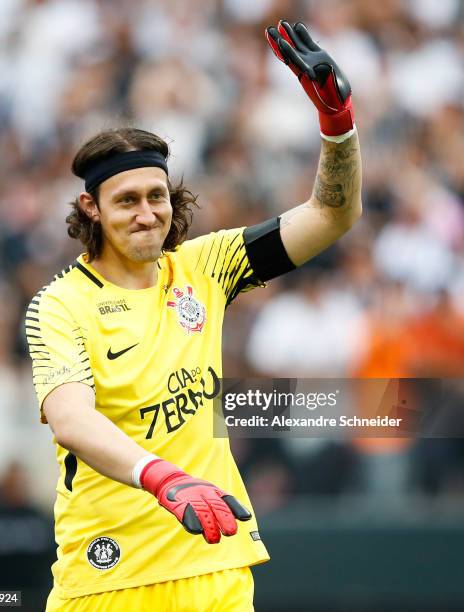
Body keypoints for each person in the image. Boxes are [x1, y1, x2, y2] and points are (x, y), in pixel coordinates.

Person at [26, 20, 362, 612]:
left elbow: (330, 217)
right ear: (92, 208)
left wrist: (338, 129)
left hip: (217, 562)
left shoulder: (206, 268)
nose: (146, 213)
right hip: (111, 577)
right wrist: (163, 477)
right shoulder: (59, 305)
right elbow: (71, 420)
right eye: (126, 200)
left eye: (156, 196)